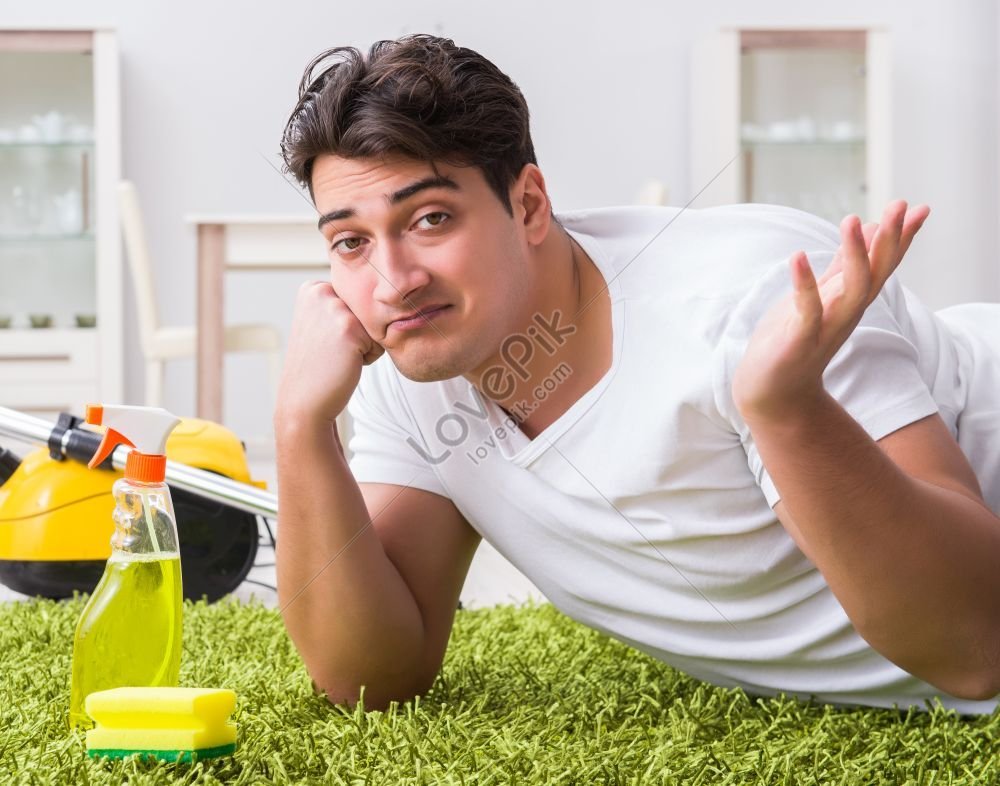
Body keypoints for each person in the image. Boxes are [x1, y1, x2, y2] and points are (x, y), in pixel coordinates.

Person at [274, 34, 1000, 715]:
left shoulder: (754, 297)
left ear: (527, 204)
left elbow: (975, 647)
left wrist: (786, 409)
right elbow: (370, 678)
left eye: (431, 219)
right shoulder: (416, 373)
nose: (393, 280)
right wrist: (301, 428)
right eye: (350, 241)